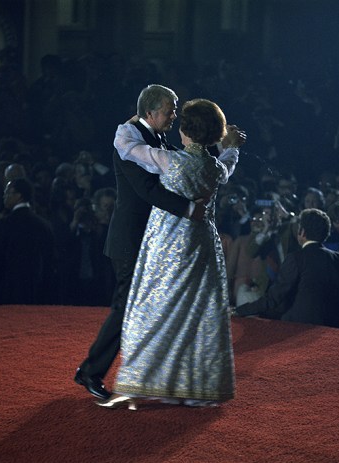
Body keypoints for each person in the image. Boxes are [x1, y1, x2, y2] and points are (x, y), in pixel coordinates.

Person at [74, 84, 243, 400]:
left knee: (156, 306)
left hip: (160, 243)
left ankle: (161, 376)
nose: (175, 116)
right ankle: (92, 372)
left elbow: (188, 167)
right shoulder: (131, 141)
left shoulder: (154, 141)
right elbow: (147, 191)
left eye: (177, 109)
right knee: (127, 307)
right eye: (170, 110)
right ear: (150, 113)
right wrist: (191, 208)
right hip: (132, 238)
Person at [234, 208, 339, 327]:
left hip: (298, 327)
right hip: (332, 326)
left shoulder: (296, 258)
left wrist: (239, 311)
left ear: (302, 232)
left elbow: (274, 298)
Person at [0, 177, 57, 305]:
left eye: (8, 192)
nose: (4, 196)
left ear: (19, 195)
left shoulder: (3, 225)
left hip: (7, 295)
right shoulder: (44, 226)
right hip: (37, 295)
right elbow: (51, 264)